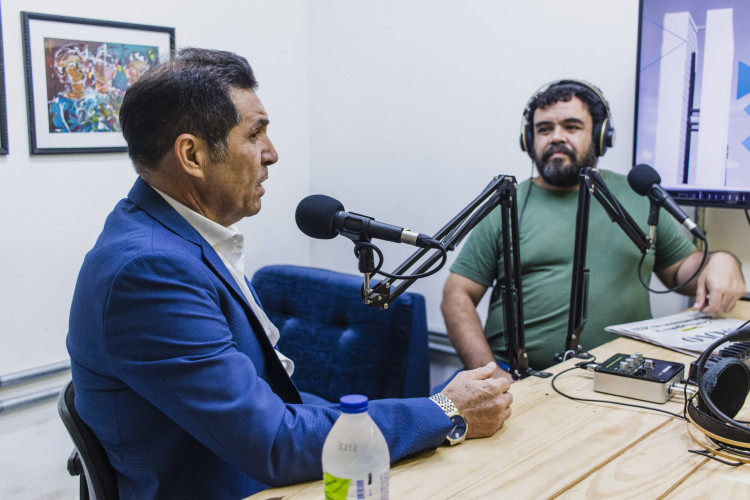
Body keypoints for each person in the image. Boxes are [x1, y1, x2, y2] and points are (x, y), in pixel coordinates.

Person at [66, 47, 513, 499]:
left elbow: (276, 408)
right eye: (254, 134)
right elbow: (274, 441)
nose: (272, 154)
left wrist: (410, 414)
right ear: (192, 155)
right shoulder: (149, 272)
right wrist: (443, 410)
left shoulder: (175, 238)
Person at [441, 80, 746, 380]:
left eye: (571, 127)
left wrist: (722, 261)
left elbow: (682, 272)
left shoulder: (636, 196)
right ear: (528, 139)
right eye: (544, 129)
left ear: (601, 136)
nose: (556, 137)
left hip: (623, 378)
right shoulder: (507, 203)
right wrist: (491, 375)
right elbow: (457, 294)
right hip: (518, 379)